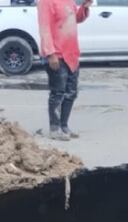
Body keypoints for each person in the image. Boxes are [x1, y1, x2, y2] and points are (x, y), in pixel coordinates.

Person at [37, 0, 93, 141]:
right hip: (57, 54)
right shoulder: (46, 2)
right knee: (58, 93)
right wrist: (51, 53)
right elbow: (45, 28)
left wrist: (84, 7)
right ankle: (55, 129)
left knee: (71, 93)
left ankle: (64, 126)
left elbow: (75, 18)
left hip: (71, 53)